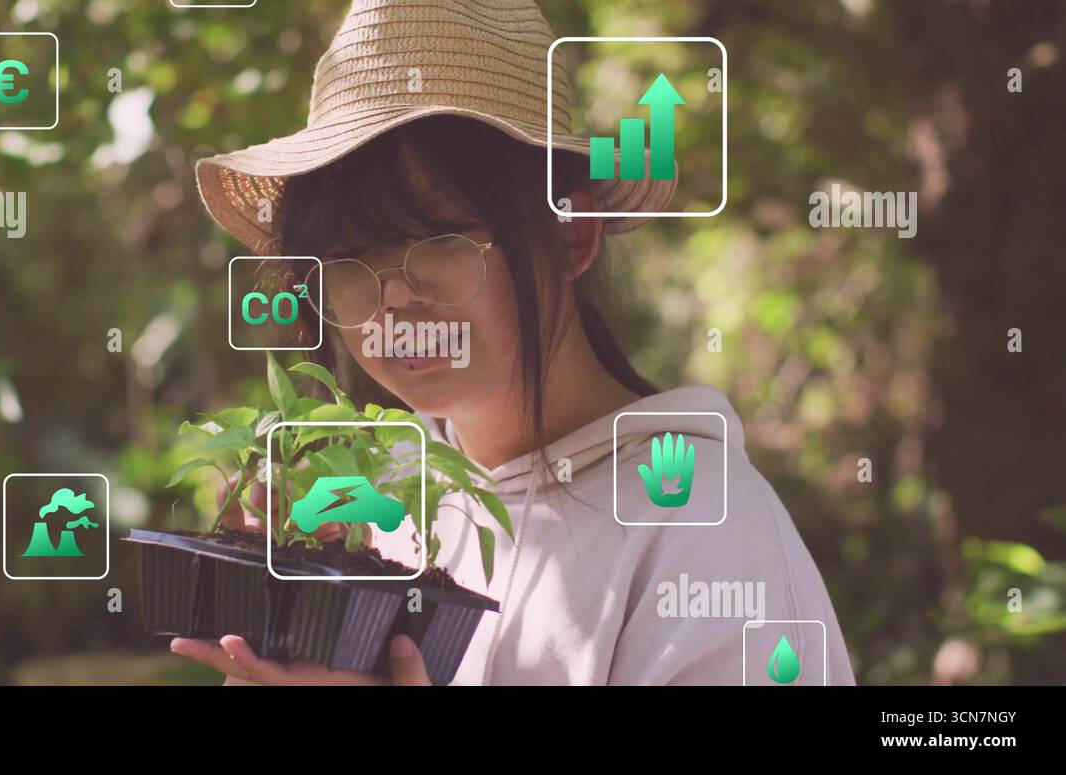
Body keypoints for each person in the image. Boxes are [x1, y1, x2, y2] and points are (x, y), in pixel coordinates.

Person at [170, 0, 854, 686]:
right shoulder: (383, 509)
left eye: (436, 236)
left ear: (571, 237)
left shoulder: (704, 528)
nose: (391, 296)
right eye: (351, 256)